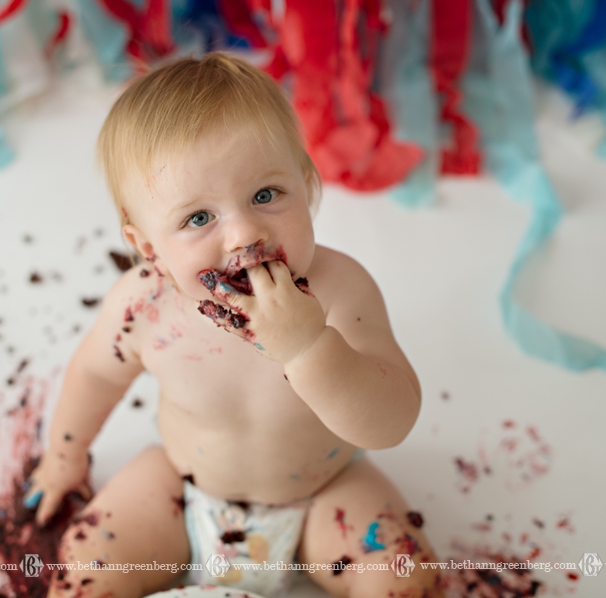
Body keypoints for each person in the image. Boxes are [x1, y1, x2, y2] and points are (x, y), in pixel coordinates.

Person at [23, 52, 443, 598]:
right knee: (81, 570)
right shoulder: (142, 306)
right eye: (199, 218)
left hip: (326, 493)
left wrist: (311, 346)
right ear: (148, 247)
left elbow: (392, 423)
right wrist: (64, 457)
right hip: (182, 491)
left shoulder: (341, 290)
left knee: (406, 579)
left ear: (308, 187)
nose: (245, 233)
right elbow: (96, 376)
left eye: (266, 196)